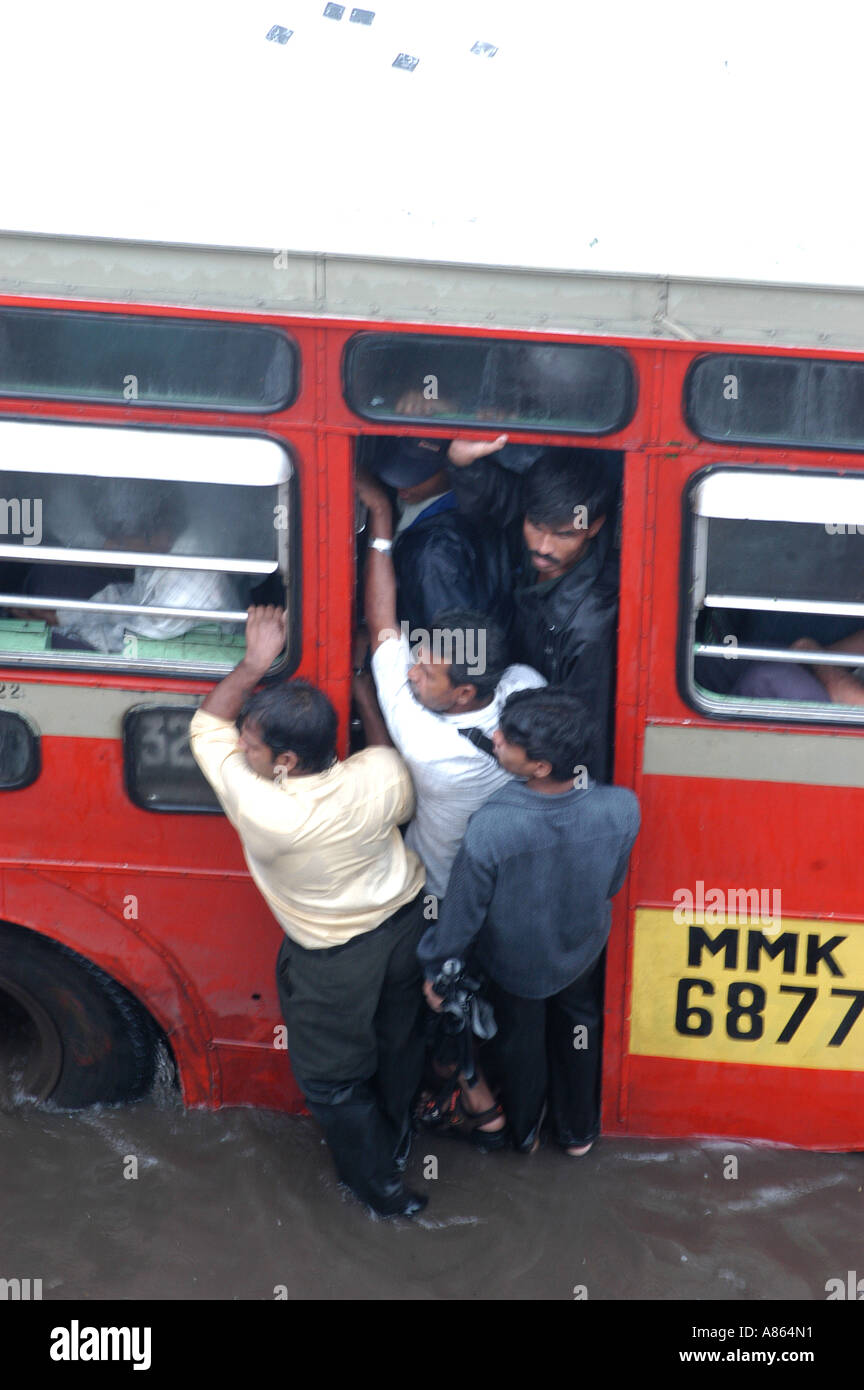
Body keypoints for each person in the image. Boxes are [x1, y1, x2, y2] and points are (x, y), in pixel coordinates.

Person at [188, 606, 429, 1220]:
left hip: (335, 958)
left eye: (253, 747)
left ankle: (380, 1190)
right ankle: (398, 1142)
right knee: (398, 1046)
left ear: (287, 762)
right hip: (408, 931)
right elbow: (386, 761)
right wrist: (362, 692)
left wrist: (253, 663)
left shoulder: (270, 814)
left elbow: (205, 727)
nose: (243, 752)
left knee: (331, 1080)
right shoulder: (381, 773)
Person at [418, 686, 640, 1156]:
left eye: (508, 737)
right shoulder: (622, 808)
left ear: (539, 767)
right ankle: (578, 1134)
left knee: (521, 1044)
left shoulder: (492, 826)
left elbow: (461, 917)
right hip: (581, 951)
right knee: (579, 1031)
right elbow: (612, 884)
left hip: (516, 965)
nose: (494, 736)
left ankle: (523, 1134)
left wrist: (438, 971)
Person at [354, 467, 545, 904]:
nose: (410, 673)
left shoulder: (427, 746)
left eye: (425, 673)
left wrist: (381, 514)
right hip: (509, 890)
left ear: (463, 693)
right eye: (417, 659)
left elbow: (381, 622)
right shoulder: (523, 684)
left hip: (438, 896)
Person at [445, 435, 620, 780]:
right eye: (535, 527)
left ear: (594, 527)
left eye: (563, 535)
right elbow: (497, 495)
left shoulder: (590, 626)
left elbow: (580, 728)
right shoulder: (539, 523)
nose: (542, 547)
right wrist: (460, 461)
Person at [364, 435, 511, 633]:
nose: (402, 486)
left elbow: (457, 650)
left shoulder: (436, 554)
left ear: (448, 469)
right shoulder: (425, 501)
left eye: (417, 476)